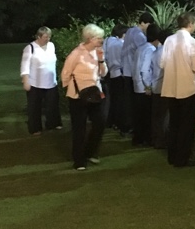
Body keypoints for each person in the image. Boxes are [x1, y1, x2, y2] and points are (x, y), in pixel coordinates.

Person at [160, 12, 195, 168]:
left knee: (174, 123)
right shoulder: (192, 42)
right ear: (191, 24)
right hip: (187, 89)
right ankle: (182, 158)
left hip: (171, 88)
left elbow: (162, 63)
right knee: (186, 125)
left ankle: (172, 156)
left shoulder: (169, 40)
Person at [61, 24, 108, 171]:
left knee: (100, 122)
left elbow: (104, 73)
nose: (101, 40)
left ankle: (90, 152)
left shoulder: (98, 52)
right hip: (78, 96)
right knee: (79, 128)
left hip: (95, 93)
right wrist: (72, 88)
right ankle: (79, 159)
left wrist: (101, 60)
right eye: (99, 38)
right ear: (89, 38)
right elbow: (65, 74)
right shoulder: (76, 54)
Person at [20, 26, 62, 135]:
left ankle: (53, 123)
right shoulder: (30, 48)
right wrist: (25, 81)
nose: (48, 39)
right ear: (38, 36)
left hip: (51, 82)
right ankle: (35, 128)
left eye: (49, 37)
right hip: (35, 83)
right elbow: (25, 66)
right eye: (45, 37)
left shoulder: (51, 46)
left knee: (52, 105)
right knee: (34, 107)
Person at [120, 12, 154, 135]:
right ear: (143, 23)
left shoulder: (130, 31)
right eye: (148, 24)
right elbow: (143, 51)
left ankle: (126, 126)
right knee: (134, 103)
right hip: (133, 71)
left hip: (126, 69)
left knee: (127, 101)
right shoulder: (139, 35)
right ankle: (132, 127)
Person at [132, 24, 160, 147]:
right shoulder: (150, 50)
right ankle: (145, 139)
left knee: (139, 115)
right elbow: (145, 70)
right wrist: (148, 86)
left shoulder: (140, 48)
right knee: (146, 116)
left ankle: (137, 139)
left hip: (137, 86)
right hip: (144, 88)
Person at [104, 23, 128, 129]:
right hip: (119, 73)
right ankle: (118, 122)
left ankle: (110, 121)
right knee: (120, 100)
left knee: (110, 99)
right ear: (123, 34)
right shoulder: (120, 44)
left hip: (108, 73)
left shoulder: (106, 41)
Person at [151, 29, 172, 150]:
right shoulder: (167, 53)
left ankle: (156, 140)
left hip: (155, 86)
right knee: (164, 116)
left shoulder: (155, 52)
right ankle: (162, 141)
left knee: (157, 116)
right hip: (164, 87)